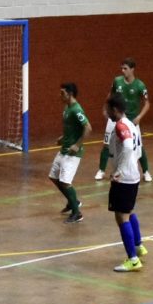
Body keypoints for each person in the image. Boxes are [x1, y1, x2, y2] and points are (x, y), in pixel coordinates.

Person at [106, 95, 148, 272]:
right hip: (133, 175)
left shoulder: (121, 125)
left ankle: (132, 259)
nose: (106, 112)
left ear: (115, 109)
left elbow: (129, 146)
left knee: (121, 216)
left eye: (108, 109)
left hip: (124, 178)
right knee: (129, 212)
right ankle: (139, 246)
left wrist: (119, 171)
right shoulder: (132, 125)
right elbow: (138, 150)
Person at [95, 58, 152, 182]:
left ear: (132, 69)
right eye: (122, 68)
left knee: (138, 145)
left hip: (131, 120)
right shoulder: (117, 81)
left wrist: (139, 117)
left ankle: (146, 171)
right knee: (106, 144)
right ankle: (101, 170)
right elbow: (109, 95)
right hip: (115, 117)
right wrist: (105, 109)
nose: (123, 71)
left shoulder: (140, 85)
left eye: (125, 68)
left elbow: (147, 103)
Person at [51, 83, 91, 224]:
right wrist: (63, 138)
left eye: (62, 93)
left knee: (66, 183)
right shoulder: (67, 108)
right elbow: (71, 127)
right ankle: (72, 201)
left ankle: (77, 213)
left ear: (70, 94)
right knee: (54, 177)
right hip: (64, 150)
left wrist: (77, 145)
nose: (60, 95)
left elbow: (88, 127)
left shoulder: (76, 109)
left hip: (72, 153)